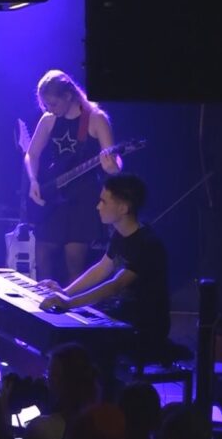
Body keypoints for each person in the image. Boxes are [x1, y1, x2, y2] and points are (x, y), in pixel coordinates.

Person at [39, 174, 170, 363]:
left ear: (123, 208)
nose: (97, 206)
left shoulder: (147, 244)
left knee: (77, 340)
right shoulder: (119, 234)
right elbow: (102, 268)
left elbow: (115, 286)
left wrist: (69, 303)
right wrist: (65, 292)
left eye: (103, 202)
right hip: (122, 314)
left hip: (143, 326)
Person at [25, 69, 122, 284]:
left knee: (74, 261)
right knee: (42, 254)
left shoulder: (96, 118)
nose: (49, 109)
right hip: (54, 195)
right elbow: (32, 154)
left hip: (83, 200)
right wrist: (33, 180)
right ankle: (43, 301)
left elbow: (114, 160)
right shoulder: (49, 119)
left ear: (68, 96)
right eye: (46, 105)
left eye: (53, 104)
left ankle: (72, 303)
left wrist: (112, 167)